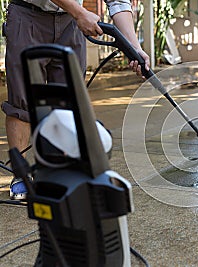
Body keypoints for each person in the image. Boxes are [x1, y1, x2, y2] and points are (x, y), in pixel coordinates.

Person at [2, 0, 150, 200]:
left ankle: (61, 173)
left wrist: (133, 46)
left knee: (68, 102)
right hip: (28, 15)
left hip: (70, 23)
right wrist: (79, 12)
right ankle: (21, 176)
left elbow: (118, 2)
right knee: (23, 100)